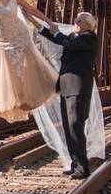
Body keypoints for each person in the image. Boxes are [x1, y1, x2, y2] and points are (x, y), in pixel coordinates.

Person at [39, 12, 99, 179]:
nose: (76, 22)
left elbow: (67, 43)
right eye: (76, 20)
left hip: (78, 88)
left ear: (89, 24)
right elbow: (59, 40)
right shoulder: (75, 37)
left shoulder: (89, 38)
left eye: (79, 20)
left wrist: (56, 31)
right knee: (68, 127)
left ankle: (82, 168)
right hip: (67, 87)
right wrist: (40, 28)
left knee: (75, 126)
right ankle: (75, 164)